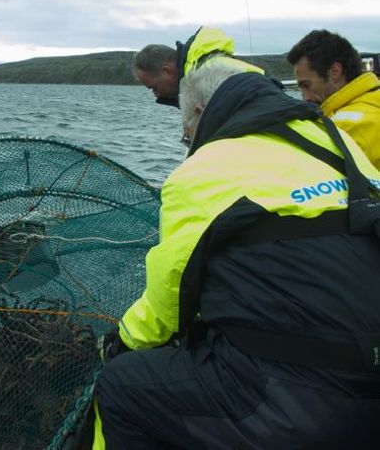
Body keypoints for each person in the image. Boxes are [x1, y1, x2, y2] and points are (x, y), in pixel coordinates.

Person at [93, 64, 380, 449]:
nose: (189, 143)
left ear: (198, 114)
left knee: (119, 385)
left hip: (300, 406)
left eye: (185, 135)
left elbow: (169, 299)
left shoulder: (202, 171)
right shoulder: (340, 142)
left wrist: (121, 343)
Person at [287, 29, 380, 169]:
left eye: (306, 85)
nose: (305, 97)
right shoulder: (373, 99)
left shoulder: (346, 128)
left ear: (335, 71)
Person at [133, 26, 265, 108]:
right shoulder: (213, 65)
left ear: (167, 71)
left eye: (154, 87)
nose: (156, 94)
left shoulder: (204, 82)